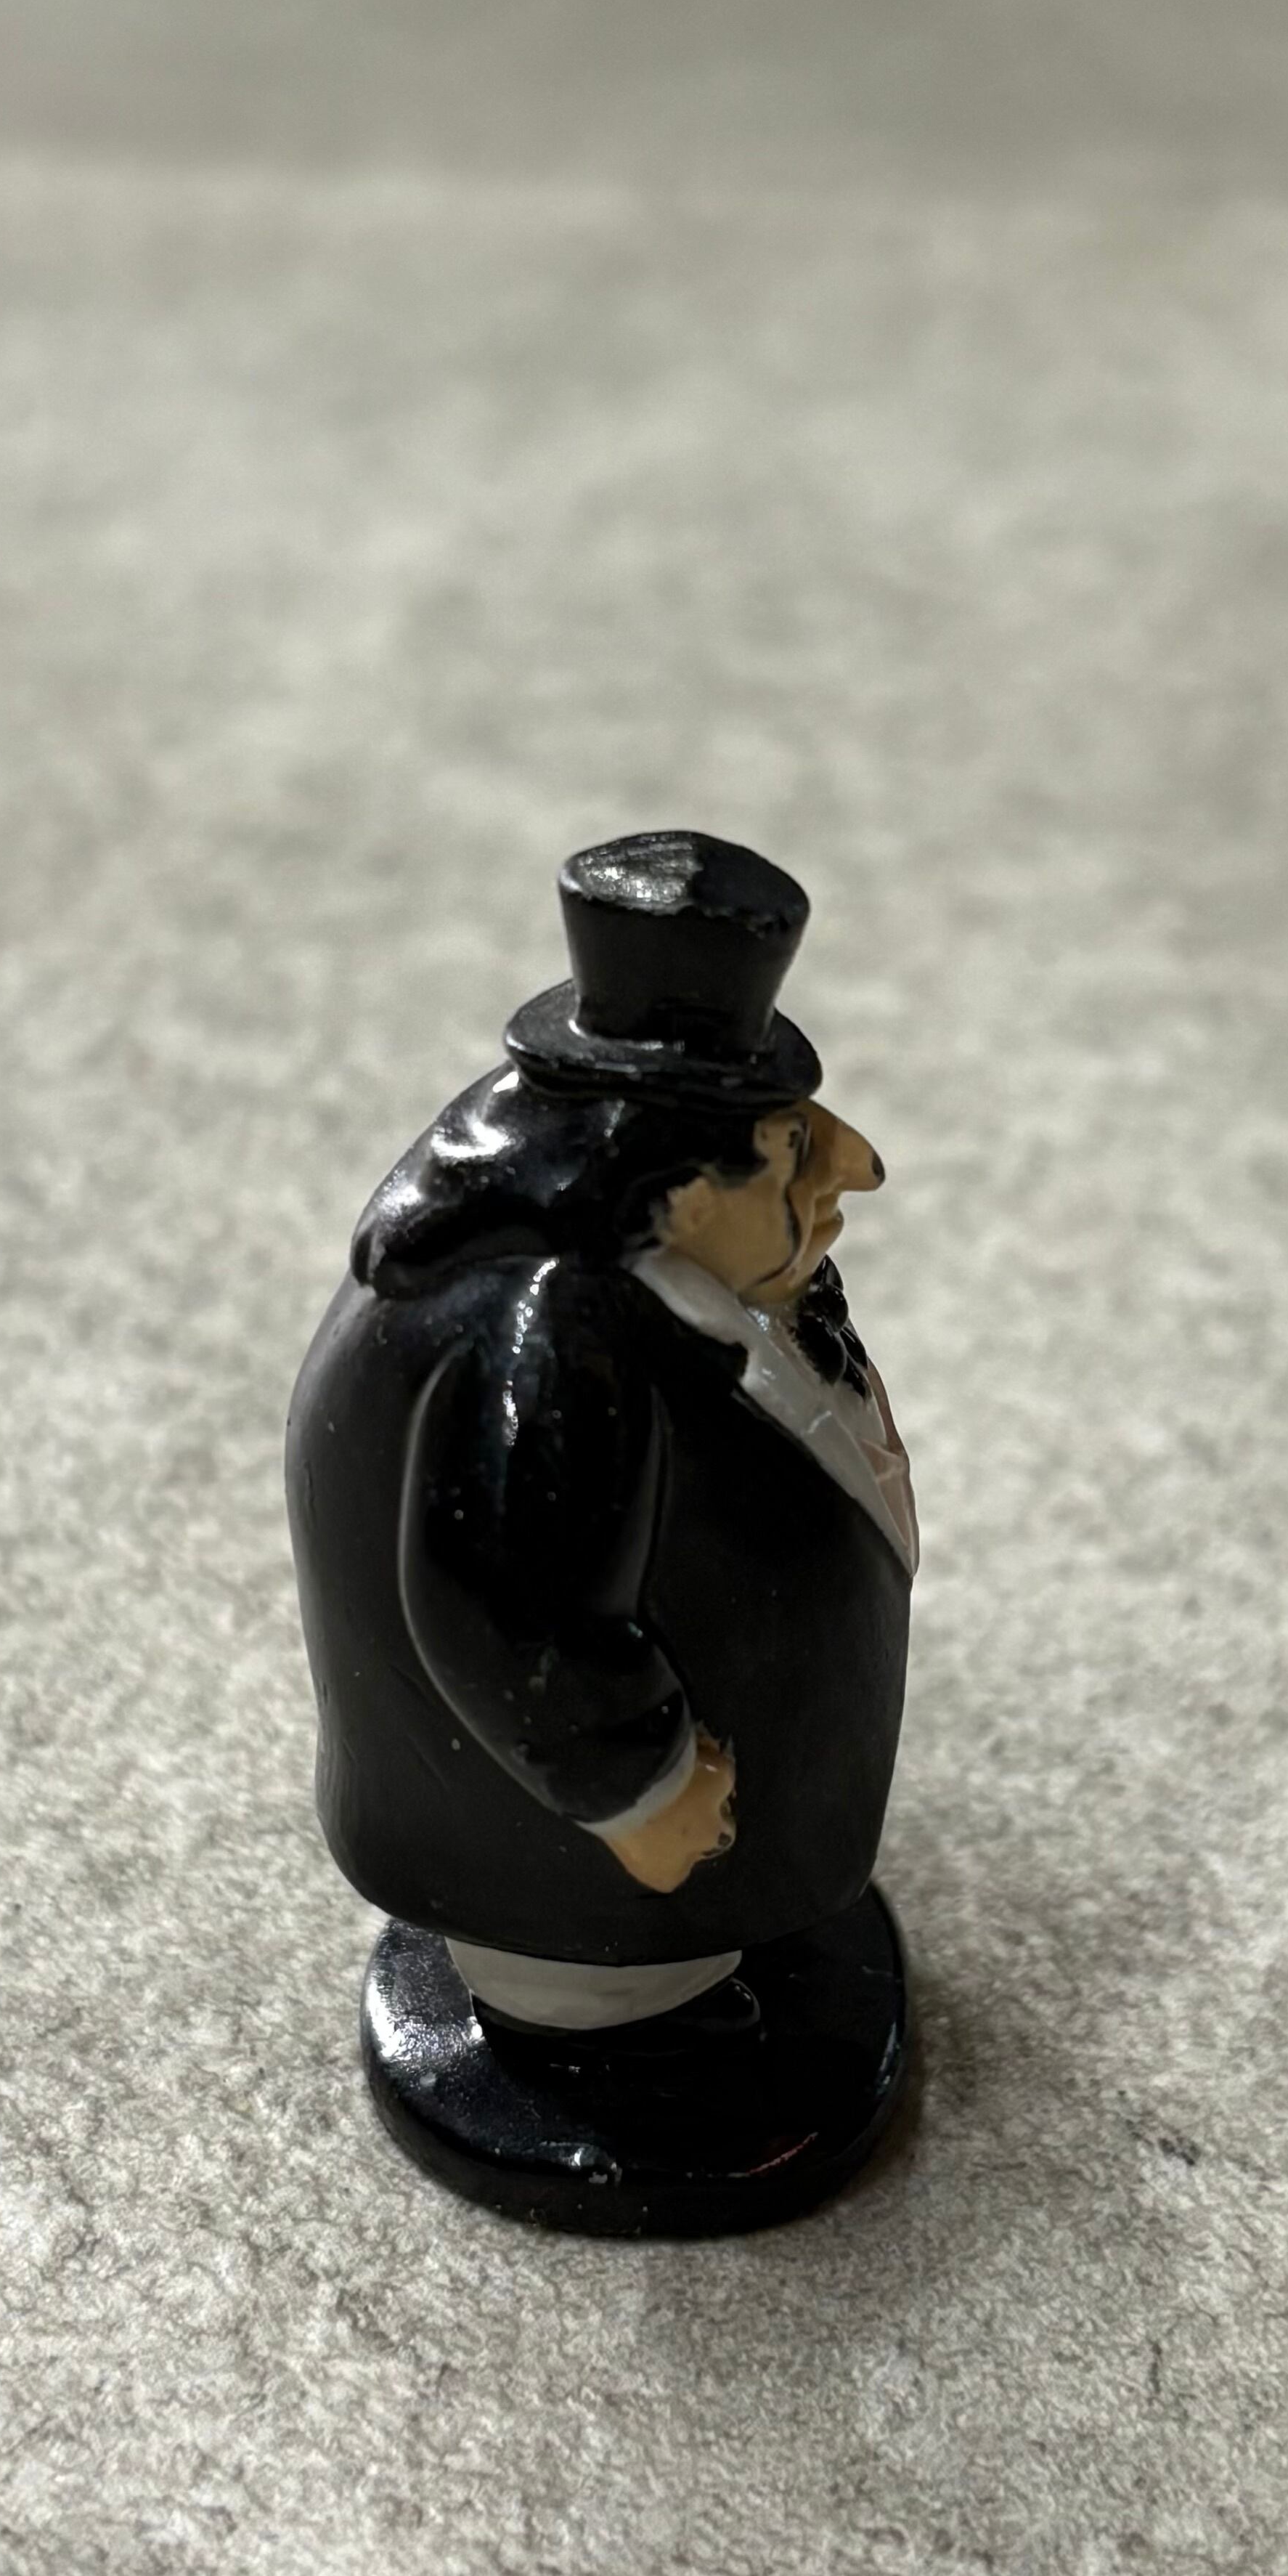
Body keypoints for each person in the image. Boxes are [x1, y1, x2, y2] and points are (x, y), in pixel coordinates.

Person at [286, 831, 920, 2230]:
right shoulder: (550, 1344)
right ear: (678, 1191)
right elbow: (504, 1611)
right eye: (791, 1151)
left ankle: (682, 1976)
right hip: (579, 1858)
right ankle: (608, 2038)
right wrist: (641, 1793)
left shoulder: (671, 1282)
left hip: (701, 1822)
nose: (855, 1168)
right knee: (603, 1968)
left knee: (675, 1938)